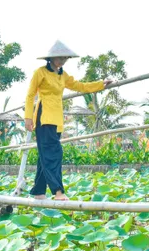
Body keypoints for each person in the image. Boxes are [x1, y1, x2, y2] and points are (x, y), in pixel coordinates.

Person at [24, 41, 113, 200]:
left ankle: (38, 191)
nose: (63, 60)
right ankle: (58, 191)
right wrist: (28, 118)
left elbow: (80, 86)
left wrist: (101, 84)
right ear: (51, 58)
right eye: (60, 57)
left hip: (57, 119)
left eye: (65, 58)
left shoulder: (62, 75)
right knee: (54, 152)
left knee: (45, 153)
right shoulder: (40, 72)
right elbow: (30, 95)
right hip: (43, 117)